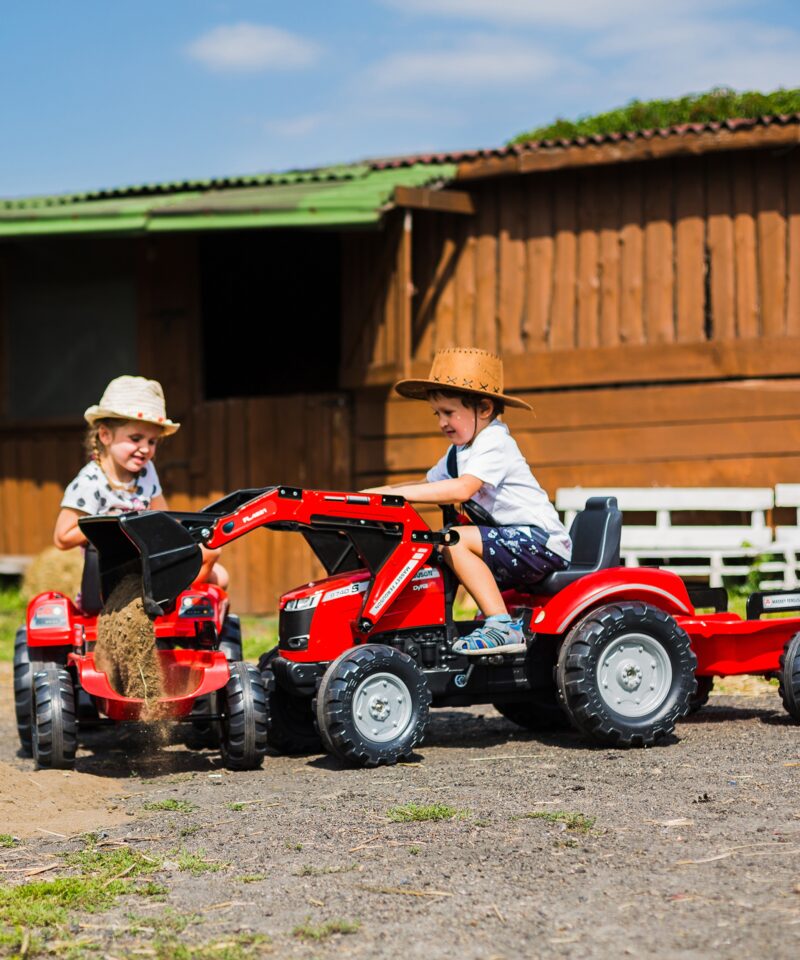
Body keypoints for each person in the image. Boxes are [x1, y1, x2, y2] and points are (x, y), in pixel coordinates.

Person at [363, 347, 571, 655]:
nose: (442, 422)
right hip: (511, 542)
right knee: (433, 548)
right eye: (438, 414)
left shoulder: (495, 442)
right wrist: (373, 496)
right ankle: (427, 630)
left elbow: (461, 490)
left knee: (454, 540)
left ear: (484, 408)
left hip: (540, 543)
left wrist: (393, 494)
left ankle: (502, 626)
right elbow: (426, 486)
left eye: (449, 412)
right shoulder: (459, 453)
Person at [54, 375, 227, 588]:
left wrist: (188, 538)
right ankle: (174, 595)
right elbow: (62, 538)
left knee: (219, 574)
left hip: (148, 558)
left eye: (152, 441)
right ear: (105, 435)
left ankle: (179, 597)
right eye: (136, 439)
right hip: (112, 573)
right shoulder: (90, 484)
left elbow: (165, 519)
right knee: (206, 560)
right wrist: (109, 522)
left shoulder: (146, 472)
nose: (145, 448)